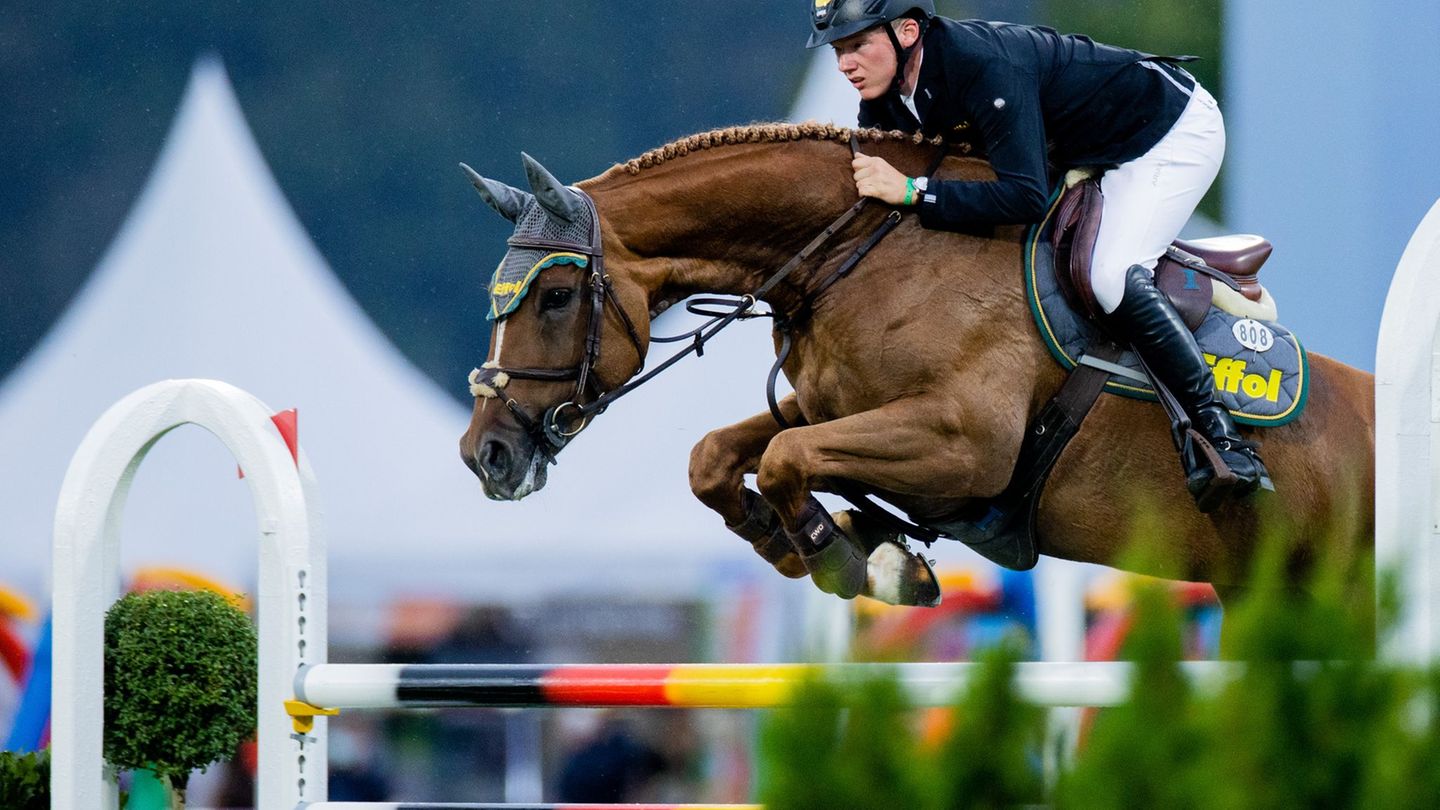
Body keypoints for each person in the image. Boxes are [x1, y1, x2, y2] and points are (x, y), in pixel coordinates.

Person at [807, 0, 1268, 511]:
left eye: (857, 45)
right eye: (838, 50)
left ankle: (1221, 435)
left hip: (1166, 134)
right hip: (1082, 146)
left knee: (1110, 275)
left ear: (909, 31)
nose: (845, 64)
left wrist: (916, 192)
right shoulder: (886, 96)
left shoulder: (981, 65)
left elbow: (1024, 197)